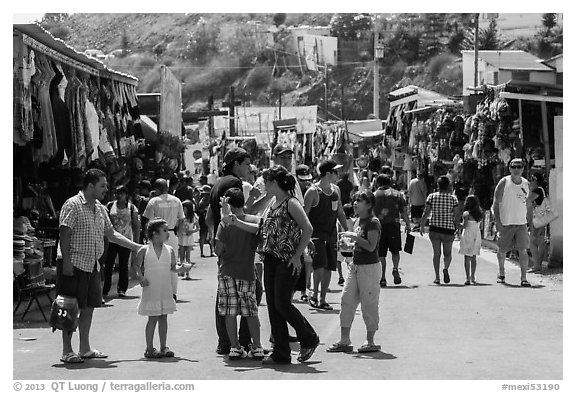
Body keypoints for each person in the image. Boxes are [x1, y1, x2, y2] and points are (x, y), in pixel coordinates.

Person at [56, 169, 142, 363]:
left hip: (92, 265)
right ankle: (67, 350)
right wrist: (67, 263)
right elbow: (64, 234)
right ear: (90, 186)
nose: (106, 189)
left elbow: (111, 235)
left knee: (88, 307)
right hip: (74, 263)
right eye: (102, 185)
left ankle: (85, 348)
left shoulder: (101, 208)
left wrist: (136, 246)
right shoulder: (73, 204)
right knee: (70, 306)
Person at [256, 166, 319, 364]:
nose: (264, 185)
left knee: (282, 304)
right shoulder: (273, 202)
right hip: (271, 259)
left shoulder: (291, 203)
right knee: (274, 307)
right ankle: (281, 352)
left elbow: (307, 228)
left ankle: (308, 337)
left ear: (275, 183)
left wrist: (297, 255)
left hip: (287, 260)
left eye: (267, 182)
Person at [205, 147, 254, 356]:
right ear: (235, 164)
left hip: (223, 243)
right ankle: (239, 341)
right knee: (246, 294)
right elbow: (240, 214)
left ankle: (225, 342)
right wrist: (259, 199)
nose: (249, 168)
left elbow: (209, 217)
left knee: (224, 294)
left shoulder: (217, 183)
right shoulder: (235, 184)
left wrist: (216, 235)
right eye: (245, 164)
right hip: (235, 245)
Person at [327, 191, 382, 353]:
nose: (355, 203)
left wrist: (354, 237)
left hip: (369, 268)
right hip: (355, 266)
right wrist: (348, 245)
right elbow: (359, 244)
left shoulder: (373, 222)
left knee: (369, 304)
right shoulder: (359, 220)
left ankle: (370, 341)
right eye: (355, 200)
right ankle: (345, 339)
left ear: (369, 205)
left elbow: (371, 246)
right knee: (346, 300)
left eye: (360, 201)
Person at [215, 188, 265, 360]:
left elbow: (218, 249)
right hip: (247, 271)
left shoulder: (224, 223)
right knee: (251, 311)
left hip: (227, 271)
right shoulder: (254, 221)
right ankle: (257, 346)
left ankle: (235, 347)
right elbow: (261, 239)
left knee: (229, 311)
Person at [304, 159, 349, 311]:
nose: (339, 174)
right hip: (316, 235)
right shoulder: (313, 192)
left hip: (331, 235)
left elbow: (340, 212)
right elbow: (304, 215)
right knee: (319, 265)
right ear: (328, 173)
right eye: (336, 172)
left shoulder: (336, 190)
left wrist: (347, 231)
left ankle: (323, 299)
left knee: (330, 266)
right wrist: (305, 237)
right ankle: (314, 296)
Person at [133, 219, 178, 359]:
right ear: (155, 234)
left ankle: (164, 346)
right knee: (152, 318)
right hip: (151, 289)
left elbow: (173, 267)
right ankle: (149, 348)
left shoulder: (169, 250)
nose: (168, 233)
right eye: (164, 230)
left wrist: (181, 268)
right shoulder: (144, 250)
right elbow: (135, 266)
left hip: (165, 288)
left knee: (163, 317)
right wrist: (140, 278)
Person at [143, 178, 185, 300]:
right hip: (172, 234)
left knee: (155, 264)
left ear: (157, 189)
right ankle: (173, 293)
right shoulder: (176, 200)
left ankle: (157, 292)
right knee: (172, 264)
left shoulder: (154, 201)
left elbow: (149, 221)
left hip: (156, 236)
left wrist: (147, 237)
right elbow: (181, 219)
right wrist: (179, 234)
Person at [492, 158, 532, 287]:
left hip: (521, 223)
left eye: (519, 167)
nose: (516, 169)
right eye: (513, 167)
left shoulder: (526, 184)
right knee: (502, 250)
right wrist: (497, 222)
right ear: (509, 168)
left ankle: (524, 278)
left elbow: (529, 204)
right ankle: (501, 272)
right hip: (506, 222)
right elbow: (495, 204)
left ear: (523, 169)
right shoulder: (504, 182)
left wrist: (529, 222)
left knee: (523, 250)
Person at [420, 176, 459, 285]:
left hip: (435, 228)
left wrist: (422, 225)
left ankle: (437, 277)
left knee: (436, 254)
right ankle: (445, 268)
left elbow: (426, 212)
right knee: (448, 254)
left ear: (438, 185)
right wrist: (458, 227)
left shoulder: (431, 197)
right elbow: (456, 215)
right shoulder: (453, 199)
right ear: (448, 186)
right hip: (448, 229)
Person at [103, 185, 140, 298]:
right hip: (111, 240)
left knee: (124, 265)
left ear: (126, 195)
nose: (118, 196)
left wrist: (136, 243)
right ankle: (106, 289)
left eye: (121, 193)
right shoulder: (110, 206)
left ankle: (122, 289)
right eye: (117, 193)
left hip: (126, 240)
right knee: (108, 265)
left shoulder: (132, 208)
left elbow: (136, 225)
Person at [374, 174, 411, 287]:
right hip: (394, 226)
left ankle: (382, 277)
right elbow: (404, 211)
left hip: (378, 226)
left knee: (381, 254)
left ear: (378, 183)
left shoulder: (374, 195)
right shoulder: (398, 194)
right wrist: (408, 225)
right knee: (395, 251)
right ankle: (395, 268)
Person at [295, 164, 314, 301]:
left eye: (307, 179)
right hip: (295, 230)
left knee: (308, 260)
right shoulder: (292, 191)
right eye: (302, 180)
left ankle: (305, 289)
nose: (305, 182)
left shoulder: (311, 191)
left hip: (307, 229)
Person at [459, 195, 483, 285]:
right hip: (476, 234)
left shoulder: (466, 214)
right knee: (474, 257)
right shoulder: (480, 213)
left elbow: (464, 226)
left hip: (468, 234)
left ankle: (467, 278)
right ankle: (473, 276)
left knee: (467, 257)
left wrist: (459, 224)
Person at [528, 173, 547, 273]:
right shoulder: (542, 190)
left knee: (532, 242)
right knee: (540, 241)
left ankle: (536, 265)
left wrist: (528, 190)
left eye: (531, 179)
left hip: (537, 219)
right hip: (542, 218)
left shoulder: (537, 190)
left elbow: (527, 200)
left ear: (535, 180)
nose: (530, 181)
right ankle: (538, 265)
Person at [178, 200, 199, 280]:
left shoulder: (193, 217)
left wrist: (191, 231)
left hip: (189, 238)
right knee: (181, 256)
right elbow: (178, 227)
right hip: (182, 238)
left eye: (184, 208)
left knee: (188, 257)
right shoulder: (181, 217)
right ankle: (182, 270)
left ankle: (187, 273)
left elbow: (198, 228)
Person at [336, 203, 356, 286]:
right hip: (350, 244)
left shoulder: (340, 221)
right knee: (349, 262)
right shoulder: (353, 221)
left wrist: (337, 243)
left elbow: (338, 232)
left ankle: (340, 277)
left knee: (338, 261)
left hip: (342, 243)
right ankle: (349, 276)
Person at [197, 185, 214, 258]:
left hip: (207, 218)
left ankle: (211, 251)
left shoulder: (208, 200)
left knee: (209, 234)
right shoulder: (203, 199)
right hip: (203, 218)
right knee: (204, 235)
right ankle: (203, 252)